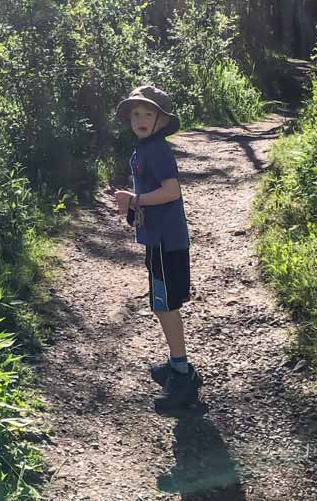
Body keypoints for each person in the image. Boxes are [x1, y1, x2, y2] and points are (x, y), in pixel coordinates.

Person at [113, 85, 201, 412]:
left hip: (166, 242)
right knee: (162, 303)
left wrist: (135, 200)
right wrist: (134, 210)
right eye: (136, 113)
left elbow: (171, 191)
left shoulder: (158, 151)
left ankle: (182, 373)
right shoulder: (143, 150)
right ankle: (178, 365)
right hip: (158, 240)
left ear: (162, 121)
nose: (141, 118)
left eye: (149, 113)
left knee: (165, 305)